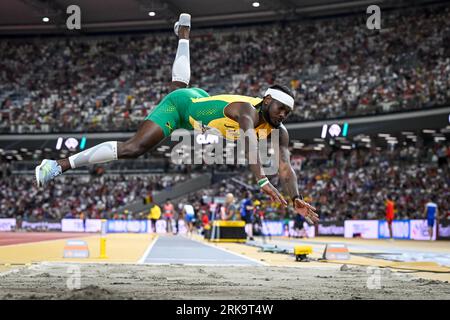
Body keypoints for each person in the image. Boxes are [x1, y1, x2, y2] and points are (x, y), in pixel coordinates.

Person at [35, 13, 318, 226]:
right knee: (134, 148)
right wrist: (261, 182)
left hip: (203, 110)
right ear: (267, 100)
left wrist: (295, 199)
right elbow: (249, 146)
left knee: (181, 84)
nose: (283, 116)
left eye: (288, 113)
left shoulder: (279, 131)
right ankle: (57, 165)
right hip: (183, 108)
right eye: (281, 109)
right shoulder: (247, 110)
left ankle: (183, 34)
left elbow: (285, 169)